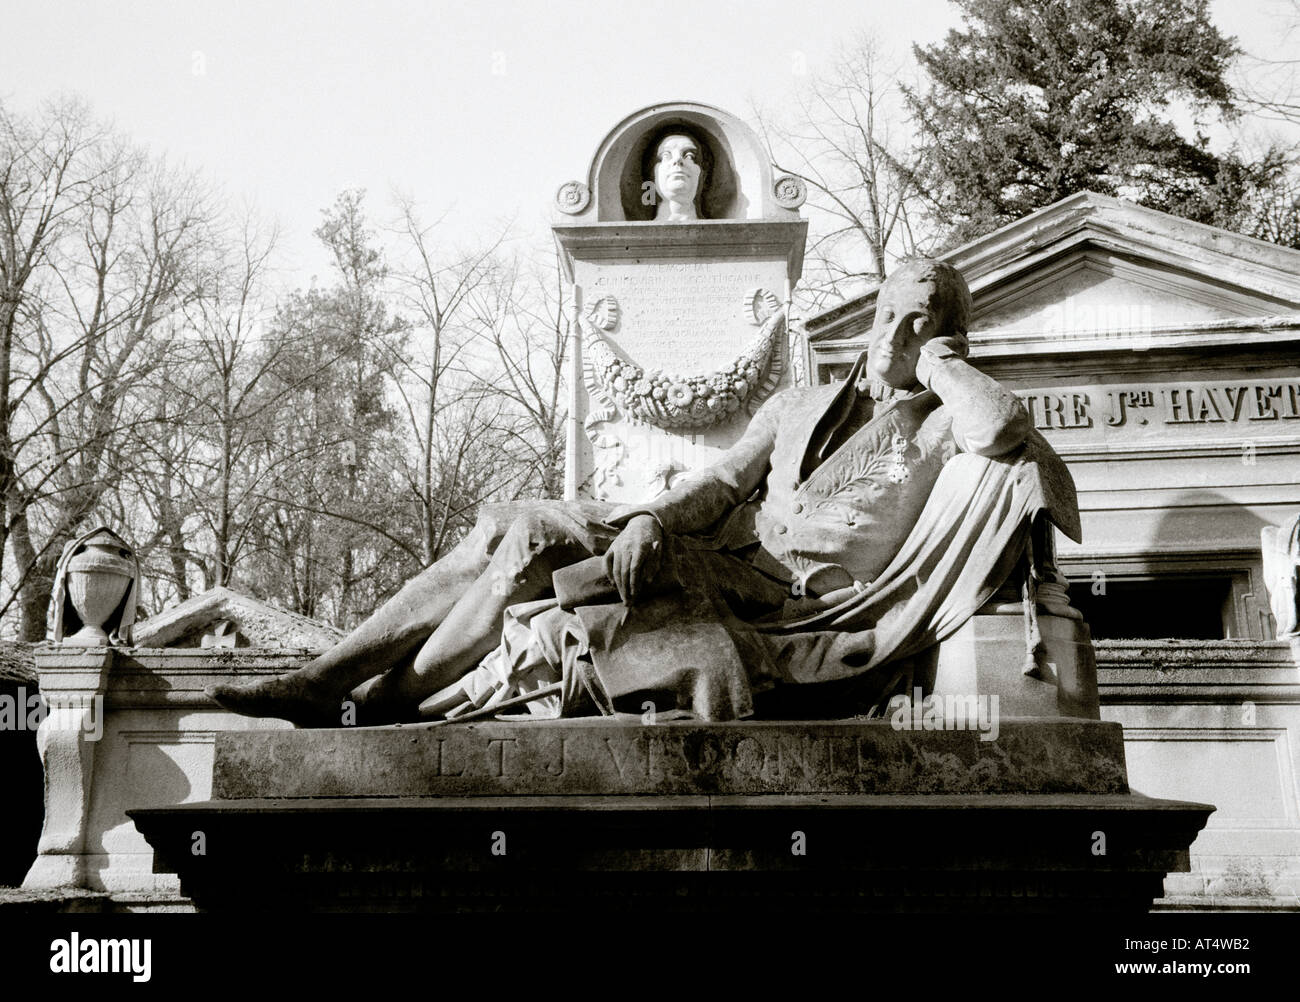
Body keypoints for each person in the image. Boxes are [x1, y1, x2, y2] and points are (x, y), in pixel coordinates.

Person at [208, 257, 1079, 726]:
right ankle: (336, 684)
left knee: (537, 551)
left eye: (922, 317)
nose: (898, 328)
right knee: (519, 527)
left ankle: (366, 703)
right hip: (722, 555)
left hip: (791, 603)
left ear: (947, 332)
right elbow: (719, 483)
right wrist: (653, 522)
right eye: (890, 310)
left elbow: (1000, 430)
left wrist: (941, 361)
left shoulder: (943, 418)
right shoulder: (801, 401)